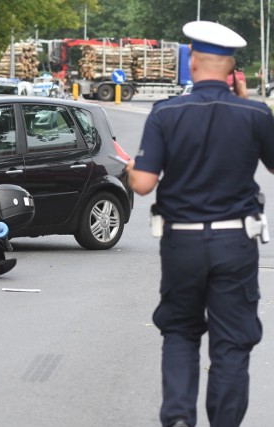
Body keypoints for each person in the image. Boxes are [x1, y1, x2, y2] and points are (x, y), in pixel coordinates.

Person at [127, 21, 274, 427]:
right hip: (235, 243)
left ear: (192, 63)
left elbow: (142, 184)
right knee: (232, 343)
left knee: (181, 331)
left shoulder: (166, 112)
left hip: (182, 243)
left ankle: (177, 418)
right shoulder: (256, 114)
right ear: (231, 70)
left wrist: (129, 167)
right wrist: (250, 109)